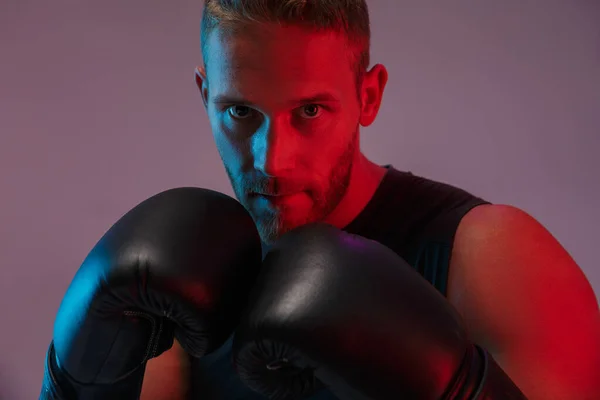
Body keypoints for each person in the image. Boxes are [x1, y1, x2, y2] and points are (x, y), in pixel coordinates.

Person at [40, 1, 599, 399]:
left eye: (309, 111)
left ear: (368, 95)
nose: (271, 160)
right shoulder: (183, 285)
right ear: (204, 95)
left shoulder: (490, 255)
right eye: (241, 112)